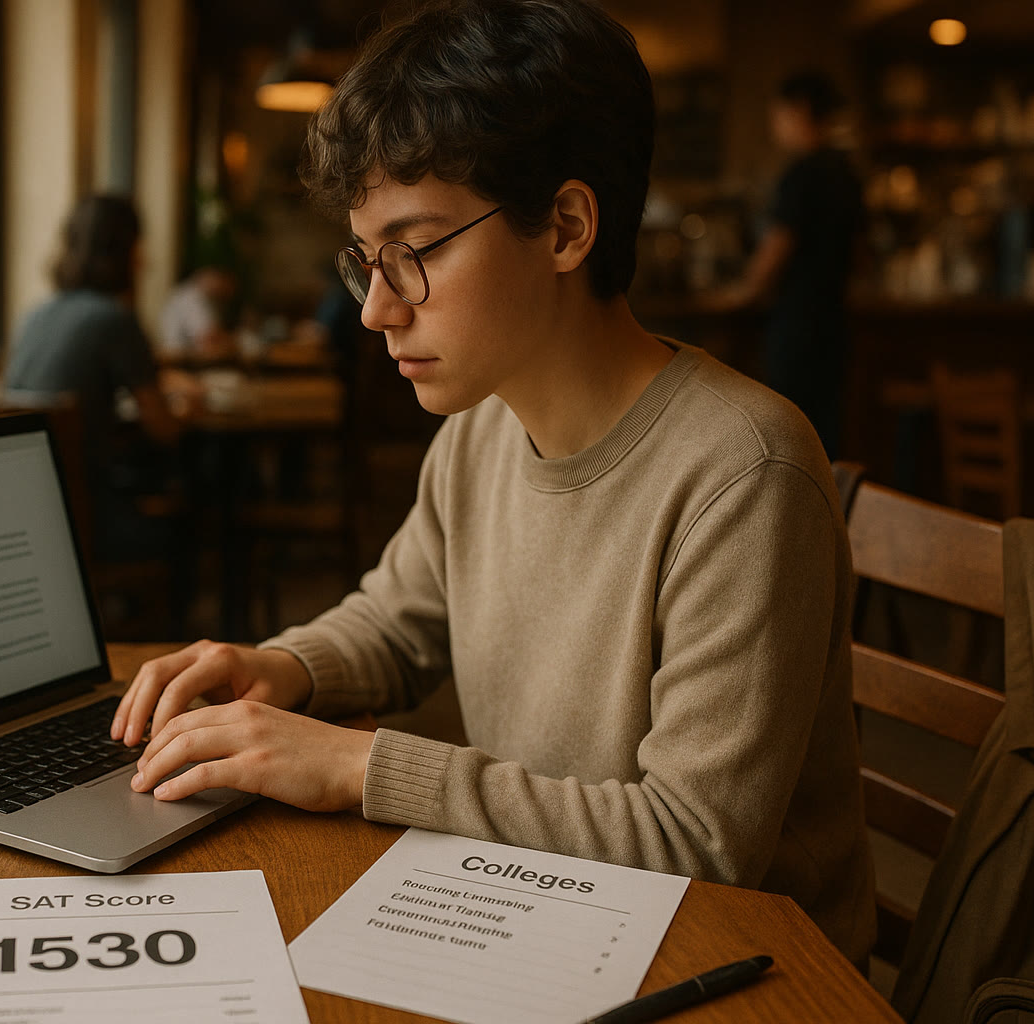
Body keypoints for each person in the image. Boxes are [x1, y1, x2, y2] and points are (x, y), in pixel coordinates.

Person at [112, 0, 874, 967]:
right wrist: (283, 668)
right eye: (366, 262)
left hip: (730, 966)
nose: (377, 310)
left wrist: (358, 766)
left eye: (415, 251)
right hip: (550, 918)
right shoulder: (483, 425)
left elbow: (696, 843)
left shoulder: (743, 471)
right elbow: (398, 619)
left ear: (564, 226)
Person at [3, 194, 191, 565]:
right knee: (186, 520)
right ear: (128, 251)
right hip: (87, 520)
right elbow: (163, 429)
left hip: (21, 514)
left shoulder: (33, 316)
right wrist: (190, 407)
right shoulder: (115, 319)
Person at [713, 71, 864, 457]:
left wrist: (743, 292)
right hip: (836, 322)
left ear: (798, 111)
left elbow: (774, 253)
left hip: (796, 326)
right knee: (827, 439)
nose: (775, 125)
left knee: (789, 436)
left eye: (778, 115)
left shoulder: (803, 173)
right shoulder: (847, 173)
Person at [157, 266, 239, 362]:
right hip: (177, 360)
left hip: (187, 358)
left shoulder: (205, 299)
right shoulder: (190, 297)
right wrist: (234, 341)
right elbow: (207, 338)